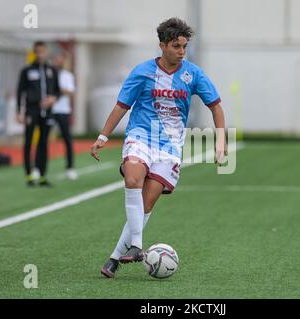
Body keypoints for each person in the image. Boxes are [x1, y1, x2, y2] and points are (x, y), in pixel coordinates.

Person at [90, 17, 227, 278]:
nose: (182, 51)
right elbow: (121, 106)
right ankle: (138, 246)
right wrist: (103, 136)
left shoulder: (192, 74)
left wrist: (221, 141)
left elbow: (216, 107)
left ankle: (114, 258)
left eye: (184, 46)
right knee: (133, 177)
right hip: (140, 136)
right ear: (162, 45)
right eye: (176, 46)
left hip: (170, 146)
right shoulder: (142, 72)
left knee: (147, 200)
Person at [16, 41, 60, 187]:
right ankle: (29, 175)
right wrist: (19, 111)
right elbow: (19, 91)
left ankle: (42, 175)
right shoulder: (27, 70)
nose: (40, 54)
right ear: (34, 53)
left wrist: (53, 98)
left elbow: (57, 90)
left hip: (47, 112)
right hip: (31, 111)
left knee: (43, 143)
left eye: (43, 51)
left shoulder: (52, 70)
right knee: (28, 142)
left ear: (46, 52)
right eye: (38, 52)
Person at [52, 52, 78, 180]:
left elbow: (70, 92)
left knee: (67, 139)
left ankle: (70, 167)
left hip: (63, 111)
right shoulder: (50, 74)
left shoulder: (68, 75)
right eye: (57, 59)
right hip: (50, 111)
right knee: (43, 139)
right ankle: (39, 169)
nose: (59, 62)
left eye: (61, 60)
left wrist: (58, 90)